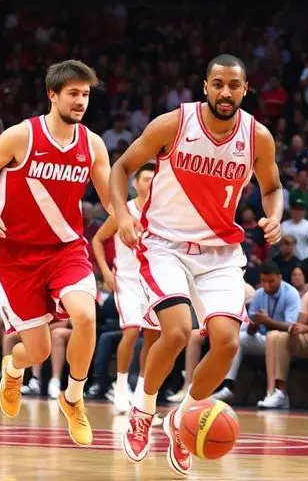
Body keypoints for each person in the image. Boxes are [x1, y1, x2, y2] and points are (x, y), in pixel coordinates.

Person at [111, 54, 282, 476]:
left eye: (234, 85)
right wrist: (122, 215)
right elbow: (122, 168)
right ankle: (143, 407)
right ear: (205, 86)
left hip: (220, 252)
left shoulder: (258, 137)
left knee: (226, 342)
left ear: (245, 89)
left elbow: (273, 186)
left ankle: (182, 420)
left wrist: (274, 214)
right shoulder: (174, 124)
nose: (226, 92)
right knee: (176, 332)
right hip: (165, 244)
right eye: (218, 84)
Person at [0, 60, 111, 447]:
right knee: (39, 351)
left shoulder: (92, 144)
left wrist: (130, 220)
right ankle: (13, 368)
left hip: (66, 250)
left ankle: (73, 398)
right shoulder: (21, 137)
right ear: (53, 95)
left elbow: (112, 197)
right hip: (16, 256)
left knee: (85, 315)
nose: (81, 101)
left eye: (85, 94)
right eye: (73, 94)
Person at [90, 163, 161, 414]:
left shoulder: (162, 212)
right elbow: (97, 240)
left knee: (152, 338)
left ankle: (142, 390)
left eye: (154, 179)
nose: (149, 183)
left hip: (154, 281)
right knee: (131, 333)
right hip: (127, 280)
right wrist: (107, 272)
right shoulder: (124, 210)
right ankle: (119, 388)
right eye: (145, 179)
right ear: (135, 183)